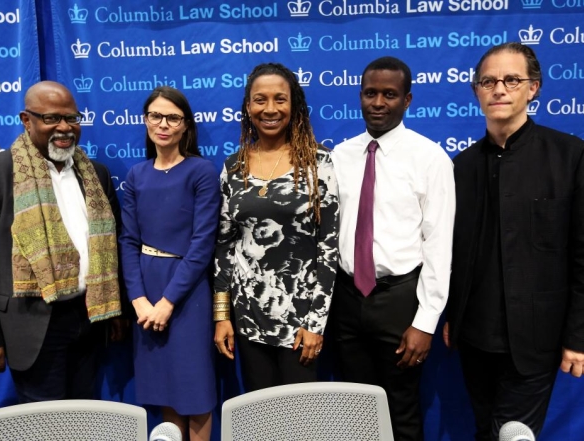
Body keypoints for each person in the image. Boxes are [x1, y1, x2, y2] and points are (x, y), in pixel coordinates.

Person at [443, 42, 584, 440]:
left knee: (515, 434)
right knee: (485, 430)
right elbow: (455, 252)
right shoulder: (461, 167)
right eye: (488, 81)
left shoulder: (572, 157)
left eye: (511, 80)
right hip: (474, 337)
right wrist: (452, 312)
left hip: (537, 339)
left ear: (532, 88)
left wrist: (583, 338)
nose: (499, 89)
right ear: (476, 92)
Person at [0, 81, 125, 403]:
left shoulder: (95, 174)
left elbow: (110, 249)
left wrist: (115, 310)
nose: (64, 128)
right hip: (31, 325)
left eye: (72, 118)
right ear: (26, 120)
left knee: (87, 415)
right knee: (44, 424)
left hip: (89, 318)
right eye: (51, 118)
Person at [329, 56, 455, 441]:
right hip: (347, 297)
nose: (378, 102)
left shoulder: (430, 158)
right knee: (356, 409)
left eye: (389, 94)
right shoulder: (340, 156)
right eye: (370, 93)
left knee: (400, 408)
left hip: (401, 299)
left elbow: (439, 244)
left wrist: (425, 321)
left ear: (408, 100)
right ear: (360, 97)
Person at [213, 62, 339, 391]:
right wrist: (222, 314)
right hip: (248, 317)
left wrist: (315, 322)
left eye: (280, 99)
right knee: (260, 418)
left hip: (300, 321)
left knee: (299, 421)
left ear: (294, 105)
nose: (270, 109)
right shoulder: (233, 167)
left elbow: (328, 248)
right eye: (260, 100)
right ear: (248, 107)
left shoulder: (319, 164)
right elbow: (225, 246)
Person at [119, 86, 219, 441]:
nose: (163, 124)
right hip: (146, 290)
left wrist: (167, 302)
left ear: (185, 126)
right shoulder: (136, 175)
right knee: (163, 387)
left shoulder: (201, 171)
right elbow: (128, 241)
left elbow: (202, 244)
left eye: (172, 117)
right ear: (146, 121)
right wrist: (139, 301)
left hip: (187, 292)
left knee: (195, 388)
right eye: (155, 116)